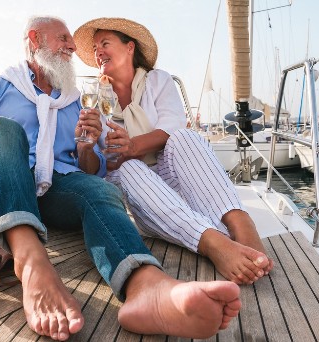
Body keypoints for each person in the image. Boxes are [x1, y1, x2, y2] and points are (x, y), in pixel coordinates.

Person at [0, 15, 241, 341]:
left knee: (99, 190)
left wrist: (86, 146)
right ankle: (30, 262)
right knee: (2, 129)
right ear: (35, 39)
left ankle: (145, 286)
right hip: (7, 184)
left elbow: (92, 168)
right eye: (64, 38)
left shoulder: (75, 101)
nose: (71, 47)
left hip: (58, 190)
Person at [73, 17, 274, 285]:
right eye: (95, 47)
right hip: (141, 192)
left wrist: (132, 145)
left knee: (185, 137)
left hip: (174, 174)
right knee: (128, 167)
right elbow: (96, 169)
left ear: (130, 47)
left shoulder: (158, 81)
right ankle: (213, 243)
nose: (98, 52)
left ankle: (241, 224)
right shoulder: (94, 99)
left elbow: (171, 128)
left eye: (105, 43)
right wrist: (89, 145)